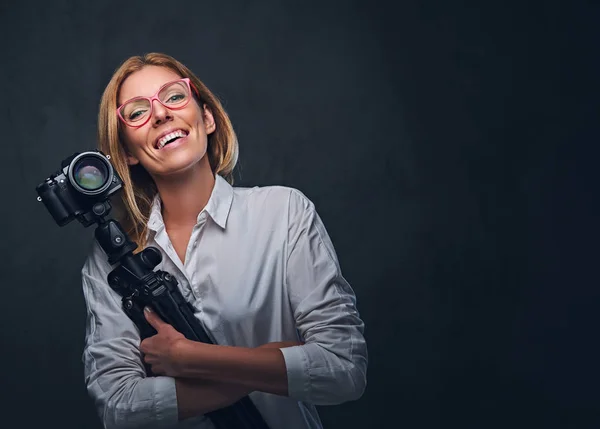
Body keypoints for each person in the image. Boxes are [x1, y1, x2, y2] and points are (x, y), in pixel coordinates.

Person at [81, 52, 367, 429]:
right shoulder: (109, 262)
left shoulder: (283, 213)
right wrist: (267, 362)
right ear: (128, 153)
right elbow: (119, 409)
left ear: (208, 117)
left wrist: (189, 358)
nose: (161, 114)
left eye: (174, 96)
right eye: (136, 113)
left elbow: (343, 370)